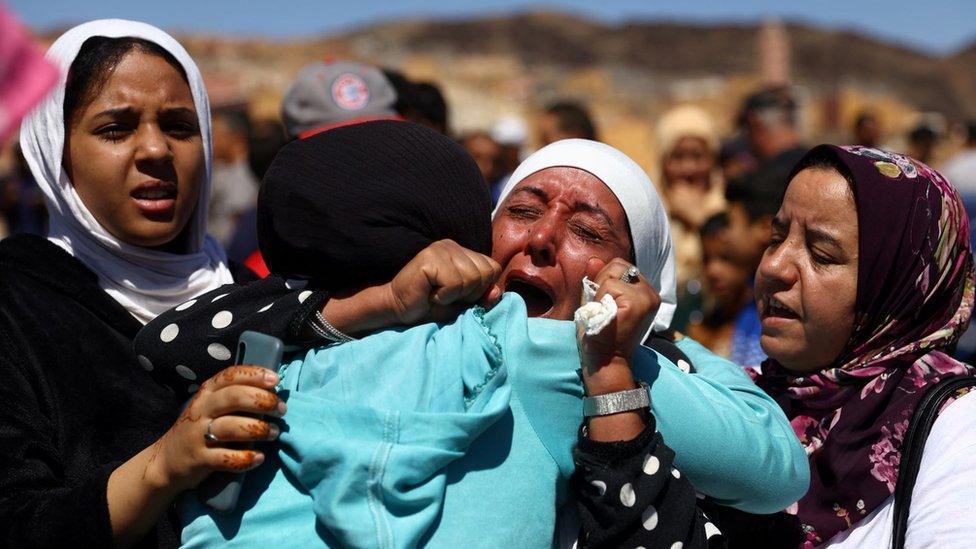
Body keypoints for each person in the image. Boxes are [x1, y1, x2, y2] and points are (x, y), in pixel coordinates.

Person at [136, 135, 808, 541]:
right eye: (521, 209)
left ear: (636, 272)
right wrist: (649, 344)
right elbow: (778, 466)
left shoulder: (311, 331)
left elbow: (169, 340)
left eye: (588, 231)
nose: (541, 239)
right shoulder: (555, 356)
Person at [0, 20, 283, 548]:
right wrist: (164, 467)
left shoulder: (252, 296)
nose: (156, 150)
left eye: (180, 126)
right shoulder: (15, 300)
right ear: (55, 151)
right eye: (115, 128)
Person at [746, 145, 976, 547]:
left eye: (821, 254)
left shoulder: (957, 429)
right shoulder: (743, 401)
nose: (774, 266)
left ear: (899, 286)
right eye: (776, 236)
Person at [655, 105, 725, 330]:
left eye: (698, 156)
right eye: (678, 157)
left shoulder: (731, 207)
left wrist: (699, 221)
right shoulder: (648, 209)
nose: (689, 168)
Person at [687, 213, 763, 369]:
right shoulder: (700, 328)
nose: (712, 271)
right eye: (706, 259)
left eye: (725, 258)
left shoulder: (765, 325)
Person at [208, 106, 258, 246]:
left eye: (215, 135)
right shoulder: (221, 170)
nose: (210, 142)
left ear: (237, 138)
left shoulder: (244, 176)